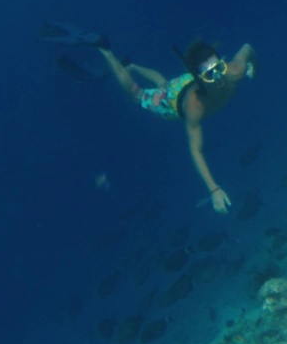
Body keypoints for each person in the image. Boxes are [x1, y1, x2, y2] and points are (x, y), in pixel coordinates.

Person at [38, 23, 257, 214]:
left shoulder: (234, 71)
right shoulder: (195, 107)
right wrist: (214, 189)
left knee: (164, 83)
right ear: (200, 76)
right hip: (173, 102)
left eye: (219, 68)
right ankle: (105, 51)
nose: (218, 77)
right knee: (137, 94)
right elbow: (195, 150)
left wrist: (254, 64)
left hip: (183, 82)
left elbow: (247, 47)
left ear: (223, 63)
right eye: (210, 74)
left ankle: (130, 65)